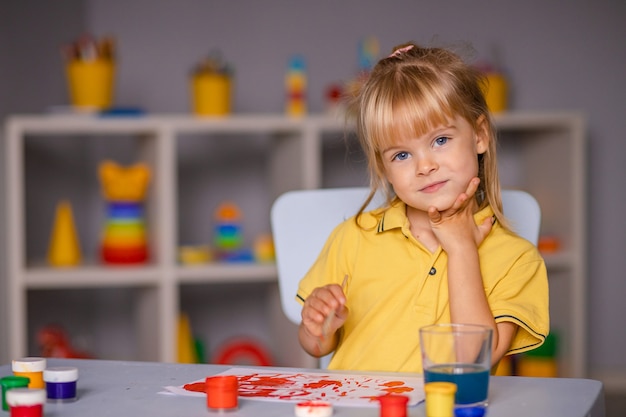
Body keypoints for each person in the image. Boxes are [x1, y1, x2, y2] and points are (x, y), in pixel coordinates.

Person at [296, 42, 549, 373]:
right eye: (401, 155)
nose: (424, 166)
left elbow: (474, 362)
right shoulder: (353, 236)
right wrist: (318, 327)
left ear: (479, 136)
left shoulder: (516, 259)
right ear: (384, 167)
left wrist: (461, 249)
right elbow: (316, 346)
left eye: (440, 140)